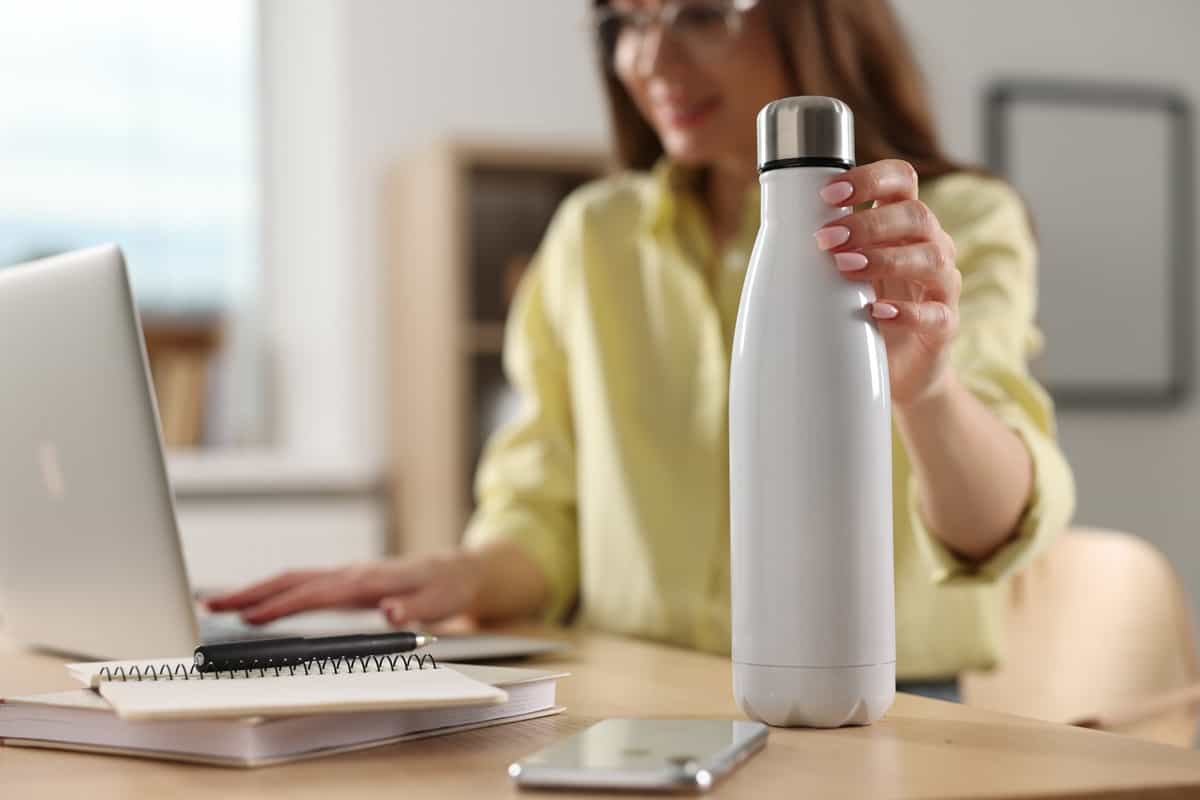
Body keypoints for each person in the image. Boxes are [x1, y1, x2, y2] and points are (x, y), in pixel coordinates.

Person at [208, 0, 1075, 696]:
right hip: (634, 688)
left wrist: (927, 392)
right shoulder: (594, 236)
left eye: (701, 13)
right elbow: (541, 512)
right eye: (624, 19)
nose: (648, 61)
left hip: (887, 695)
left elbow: (999, 525)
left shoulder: (948, 225)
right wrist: (462, 576)